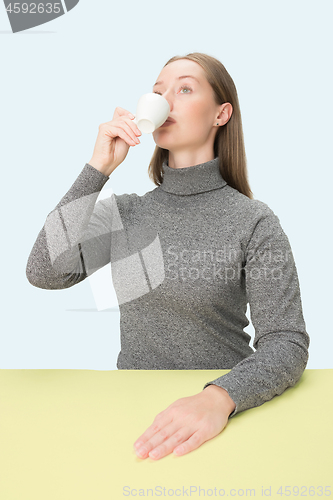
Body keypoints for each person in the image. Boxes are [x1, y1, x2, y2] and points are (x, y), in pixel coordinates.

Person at [26, 52, 310, 461]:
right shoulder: (127, 213)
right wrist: (98, 168)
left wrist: (219, 398)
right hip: (135, 415)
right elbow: (43, 272)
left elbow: (286, 342)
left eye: (184, 88)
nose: (164, 100)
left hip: (227, 416)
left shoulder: (254, 221)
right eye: (158, 91)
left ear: (221, 114)